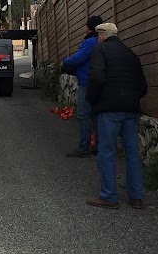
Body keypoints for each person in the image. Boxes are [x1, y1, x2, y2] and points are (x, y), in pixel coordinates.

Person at [86, 22, 148, 209]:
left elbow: (96, 78)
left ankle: (109, 196)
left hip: (108, 109)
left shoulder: (100, 50)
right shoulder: (131, 54)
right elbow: (143, 86)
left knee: (107, 151)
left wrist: (93, 100)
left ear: (102, 36)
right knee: (132, 152)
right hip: (131, 109)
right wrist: (131, 99)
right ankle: (136, 197)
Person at [61, 15, 103, 157]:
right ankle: (99, 145)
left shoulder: (90, 42)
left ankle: (84, 147)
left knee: (83, 115)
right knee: (95, 115)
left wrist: (65, 61)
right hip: (99, 83)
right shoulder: (101, 41)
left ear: (89, 27)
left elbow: (79, 58)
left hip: (87, 82)